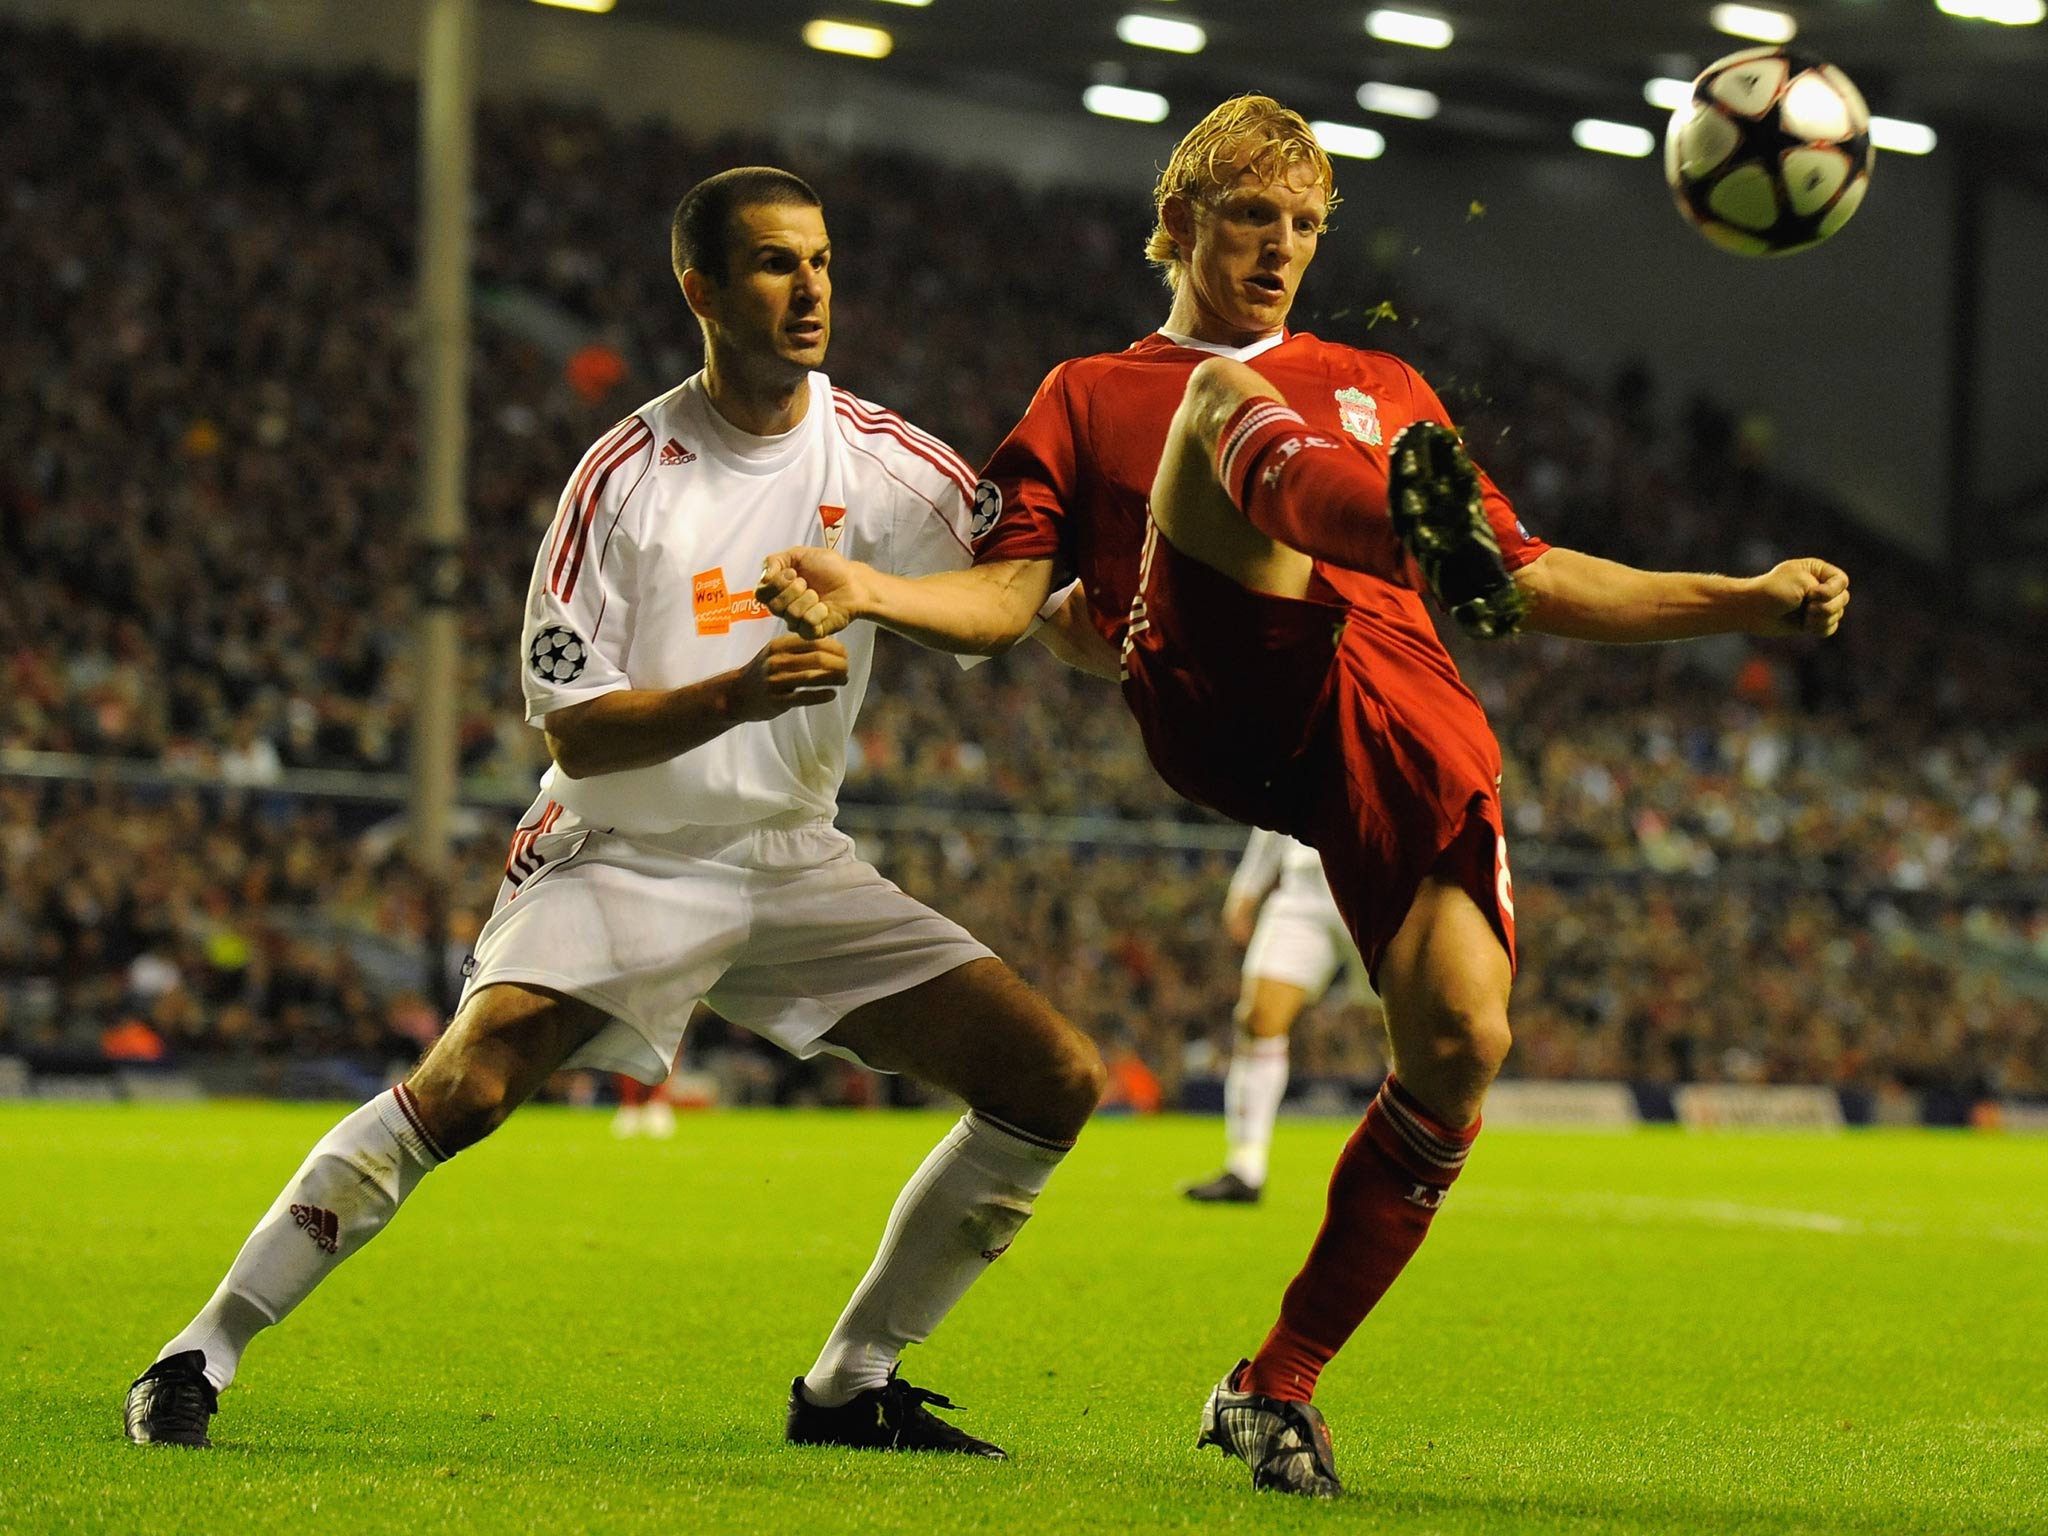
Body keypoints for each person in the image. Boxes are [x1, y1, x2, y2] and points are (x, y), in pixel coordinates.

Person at [756, 95, 1849, 1498]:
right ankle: (1397, 522)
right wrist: (873, 591)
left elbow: (1538, 578)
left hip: (1393, 705)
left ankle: (1273, 1385)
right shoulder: (1089, 393)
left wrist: (1743, 601)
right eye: (1250, 216)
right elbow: (1006, 601)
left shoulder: (1383, 382)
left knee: (1462, 1040)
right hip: (1227, 677)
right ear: (1178, 226)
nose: (1280, 246)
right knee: (1224, 401)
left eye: (1303, 225)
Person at [123, 166, 1108, 1460]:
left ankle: (849, 1389)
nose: (810, 287)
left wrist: (1122, 637)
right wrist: (742, 694)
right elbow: (574, 733)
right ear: (700, 289)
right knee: (468, 1087)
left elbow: (1009, 599)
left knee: (1051, 1079)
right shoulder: (627, 476)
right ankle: (199, 1351)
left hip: (793, 864)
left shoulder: (881, 459)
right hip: (622, 852)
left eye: (820, 260)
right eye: (773, 264)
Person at [1183, 830, 1370, 1205]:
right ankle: (1245, 1167)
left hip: (1383, 885)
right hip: (1305, 886)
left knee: (1404, 1028)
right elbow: (1278, 796)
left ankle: (1415, 1172)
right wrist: (1248, 886)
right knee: (1258, 1018)